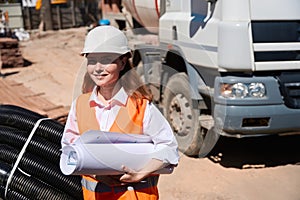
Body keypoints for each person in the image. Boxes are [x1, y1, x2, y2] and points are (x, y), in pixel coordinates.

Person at [61, 25, 179, 200]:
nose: (98, 68)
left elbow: (169, 149)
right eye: (92, 60)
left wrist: (141, 173)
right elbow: (68, 149)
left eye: (106, 59)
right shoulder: (80, 106)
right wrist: (96, 174)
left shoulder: (141, 106)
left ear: (122, 62)